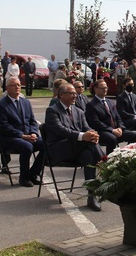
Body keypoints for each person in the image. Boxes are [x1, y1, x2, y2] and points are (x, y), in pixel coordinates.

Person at [44, 82, 104, 211]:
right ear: (61, 95)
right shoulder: (52, 111)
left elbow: (86, 127)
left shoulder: (78, 111)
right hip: (58, 150)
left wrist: (93, 134)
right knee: (87, 142)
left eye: (75, 94)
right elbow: (61, 131)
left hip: (78, 149)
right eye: (71, 93)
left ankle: (91, 195)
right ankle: (105, 165)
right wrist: (84, 136)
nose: (74, 96)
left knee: (88, 154)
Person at [0, 77, 45, 186]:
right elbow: (4, 126)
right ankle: (24, 177)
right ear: (7, 88)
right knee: (27, 147)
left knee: (46, 144)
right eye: (14, 85)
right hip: (10, 139)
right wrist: (22, 136)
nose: (17, 87)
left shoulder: (25, 102)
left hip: (27, 136)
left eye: (18, 85)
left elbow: (32, 121)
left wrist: (34, 133)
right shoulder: (1, 105)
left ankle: (33, 173)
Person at [86, 79, 136, 154]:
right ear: (95, 89)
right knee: (112, 139)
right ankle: (109, 160)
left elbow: (118, 117)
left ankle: (128, 155)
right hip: (103, 131)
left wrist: (120, 128)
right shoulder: (91, 105)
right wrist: (112, 130)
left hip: (117, 129)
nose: (105, 90)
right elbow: (95, 123)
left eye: (106, 88)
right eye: (102, 88)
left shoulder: (110, 102)